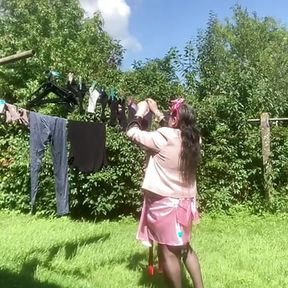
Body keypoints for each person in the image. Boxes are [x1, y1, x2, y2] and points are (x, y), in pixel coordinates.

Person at [126, 98, 204, 288]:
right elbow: (174, 130)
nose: (168, 116)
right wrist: (159, 112)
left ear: (175, 120)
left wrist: (140, 113)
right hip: (185, 204)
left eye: (171, 114)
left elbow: (132, 133)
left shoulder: (163, 137)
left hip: (165, 205)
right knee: (184, 247)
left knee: (169, 252)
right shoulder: (194, 140)